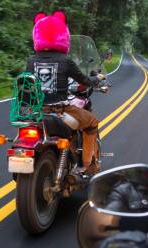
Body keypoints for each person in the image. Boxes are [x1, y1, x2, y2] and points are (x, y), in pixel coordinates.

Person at [26, 10, 105, 175]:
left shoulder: (31, 61)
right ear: (63, 36)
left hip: (37, 111)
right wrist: (97, 79)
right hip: (61, 111)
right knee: (92, 122)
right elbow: (85, 81)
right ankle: (88, 165)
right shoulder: (65, 61)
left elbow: (29, 83)